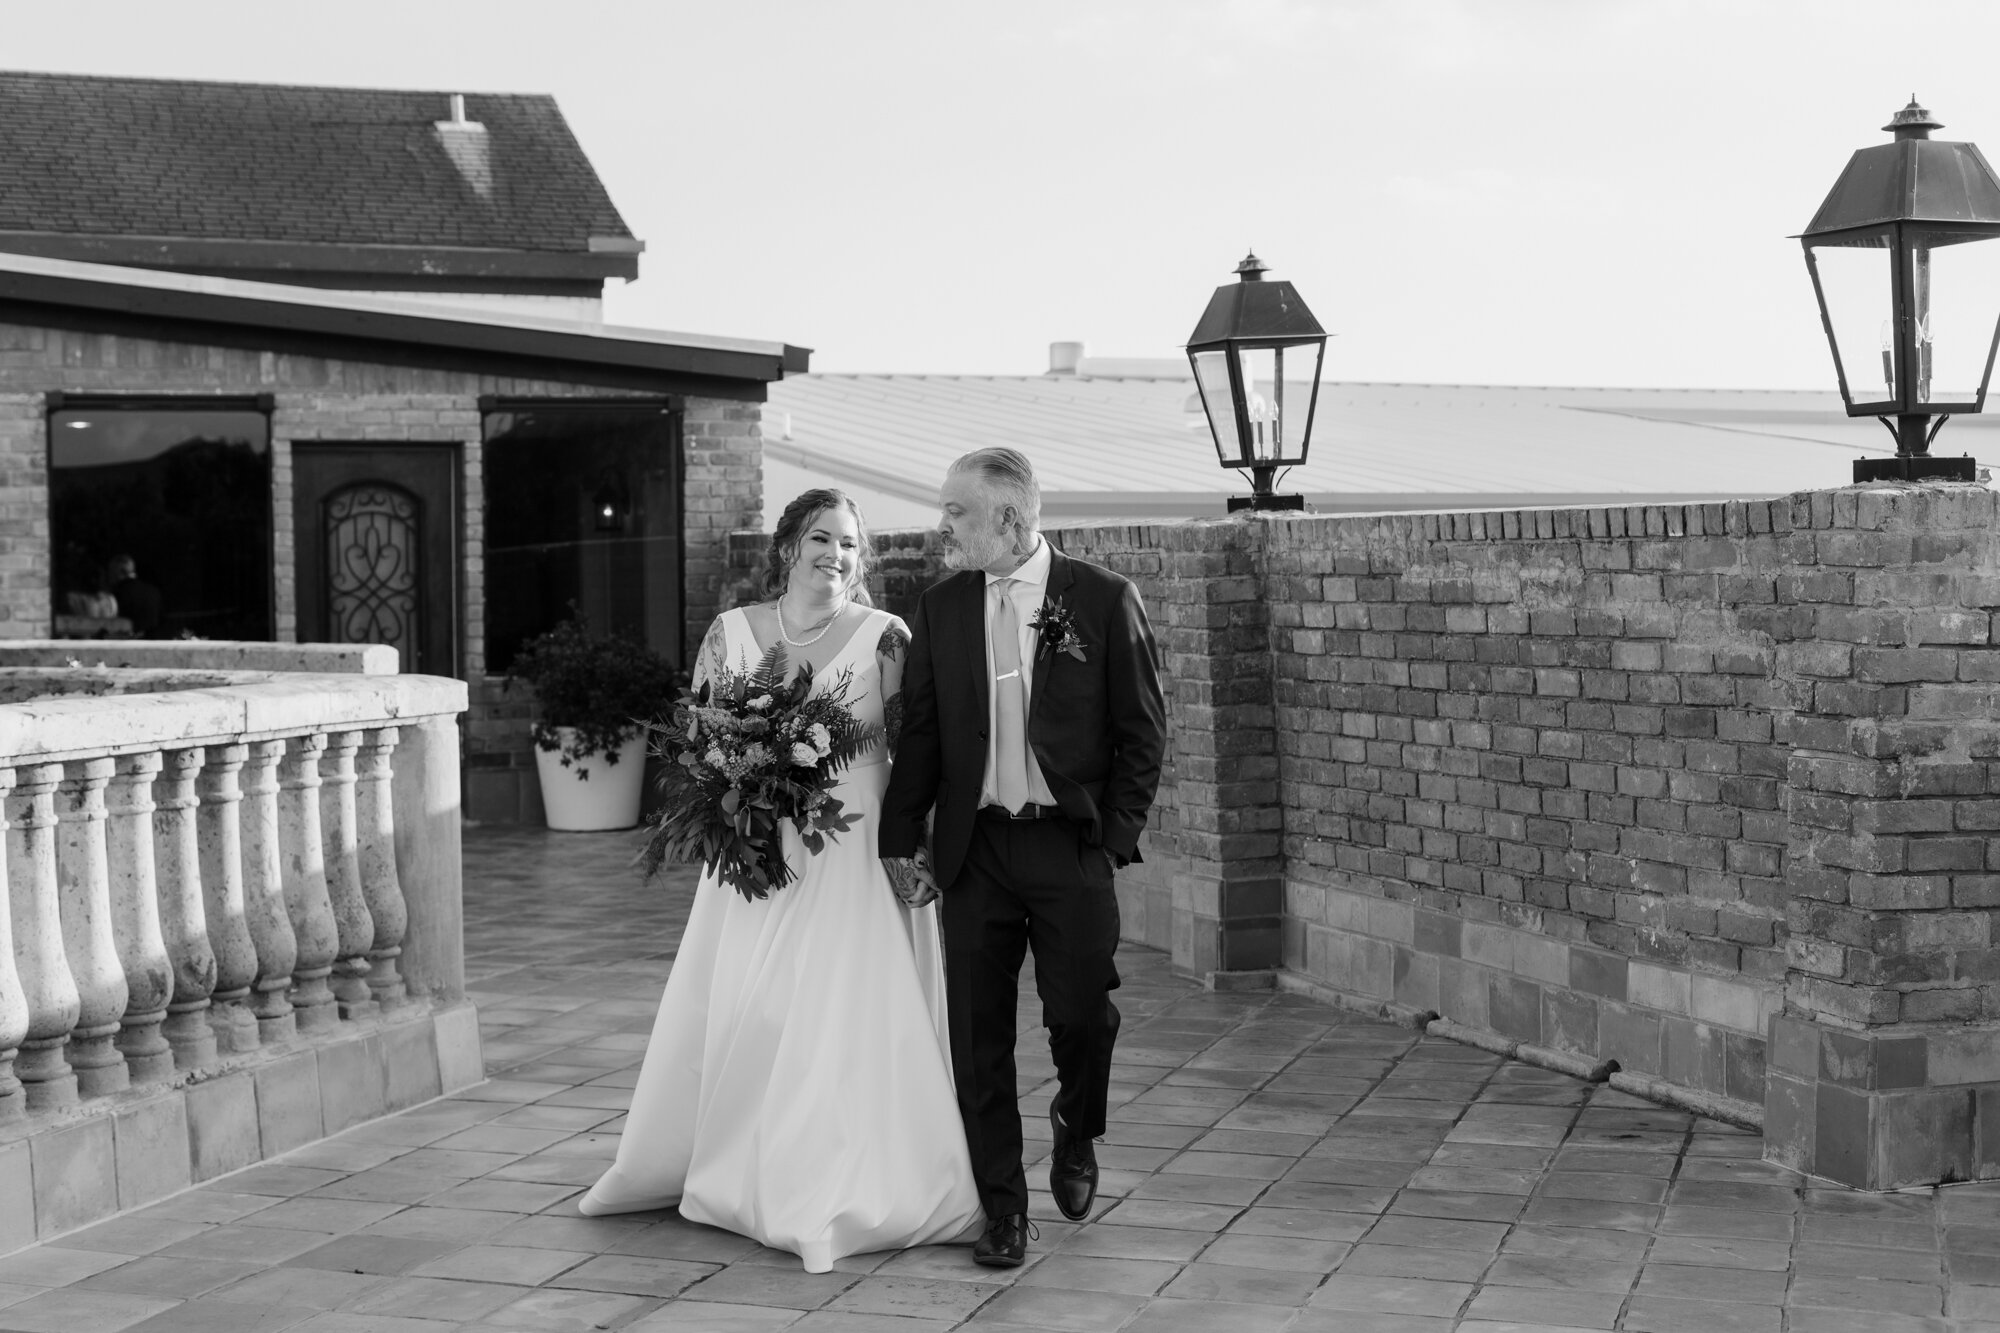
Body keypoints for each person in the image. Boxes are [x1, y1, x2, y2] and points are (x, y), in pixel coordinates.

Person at [576, 488, 981, 1272]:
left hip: (853, 849)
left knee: (839, 1012)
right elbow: (699, 740)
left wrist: (914, 847)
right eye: (823, 538)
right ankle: (735, 1165)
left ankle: (829, 1185)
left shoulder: (885, 638)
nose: (837, 555)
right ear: (790, 544)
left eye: (852, 546)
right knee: (750, 1006)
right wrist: (731, 795)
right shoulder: (730, 633)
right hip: (755, 852)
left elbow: (912, 753)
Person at [881, 447, 1167, 1268]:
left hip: (1066, 845)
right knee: (977, 1035)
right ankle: (1002, 1206)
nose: (943, 526)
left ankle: (1077, 1130)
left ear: (1009, 519)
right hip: (976, 850)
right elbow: (927, 731)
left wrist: (1110, 840)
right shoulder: (940, 607)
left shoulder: (1104, 600)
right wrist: (901, 835)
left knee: (1081, 1015)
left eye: (956, 512)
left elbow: (1143, 732)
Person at [108, 554, 162, 637]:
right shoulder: (153, 591)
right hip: (156, 640)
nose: (109, 575)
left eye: (111, 571)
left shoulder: (118, 592)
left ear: (120, 571)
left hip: (127, 641)